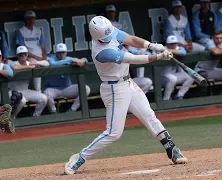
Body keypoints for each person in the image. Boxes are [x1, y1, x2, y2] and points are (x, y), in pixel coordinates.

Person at [64, 16, 188, 175]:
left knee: (149, 115)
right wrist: (158, 56)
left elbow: (131, 39)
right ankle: (79, 157)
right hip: (115, 90)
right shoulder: (102, 52)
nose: (111, 35)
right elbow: (132, 58)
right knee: (114, 133)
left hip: (128, 83)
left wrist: (152, 45)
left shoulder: (108, 30)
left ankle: (172, 149)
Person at [44, 43, 91, 113]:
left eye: (63, 52)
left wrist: (82, 60)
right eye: (59, 52)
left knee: (86, 89)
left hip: (67, 87)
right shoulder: (51, 58)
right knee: (46, 93)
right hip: (53, 88)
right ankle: (54, 113)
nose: (61, 54)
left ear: (66, 53)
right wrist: (69, 61)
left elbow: (85, 60)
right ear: (56, 53)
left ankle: (72, 110)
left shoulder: (69, 59)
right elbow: (53, 64)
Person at [9, 46, 48, 117]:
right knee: (22, 100)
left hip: (25, 90)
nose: (23, 56)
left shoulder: (30, 63)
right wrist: (29, 67)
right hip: (13, 91)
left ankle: (35, 117)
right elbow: (14, 67)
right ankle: (12, 117)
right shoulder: (14, 63)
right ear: (17, 55)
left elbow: (47, 63)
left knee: (44, 98)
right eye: (21, 54)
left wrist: (37, 62)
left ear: (27, 54)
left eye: (25, 54)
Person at [15, 10, 48, 92]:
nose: (31, 21)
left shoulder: (38, 31)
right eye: (28, 18)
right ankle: (38, 90)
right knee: (35, 65)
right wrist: (37, 58)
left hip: (40, 57)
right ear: (25, 20)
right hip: (29, 57)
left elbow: (43, 46)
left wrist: (45, 56)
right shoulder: (20, 31)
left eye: (32, 18)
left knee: (51, 63)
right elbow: (22, 50)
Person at [161, 35, 194, 100]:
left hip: (173, 75)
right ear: (167, 44)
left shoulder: (178, 48)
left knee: (191, 75)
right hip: (161, 76)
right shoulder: (161, 48)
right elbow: (153, 53)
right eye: (171, 44)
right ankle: (166, 99)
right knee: (173, 79)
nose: (173, 45)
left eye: (174, 43)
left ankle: (179, 95)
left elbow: (183, 53)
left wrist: (169, 50)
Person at [0, 50, 25, 120]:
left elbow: (10, 73)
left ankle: (12, 117)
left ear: (1, 57)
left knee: (21, 99)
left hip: (4, 92)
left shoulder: (3, 66)